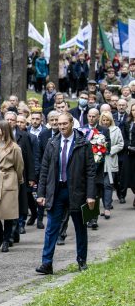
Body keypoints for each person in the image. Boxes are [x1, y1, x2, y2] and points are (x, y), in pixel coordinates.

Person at [35, 112, 96, 275]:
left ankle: (81, 260)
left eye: (64, 123)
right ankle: (46, 263)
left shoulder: (83, 143)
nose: (61, 126)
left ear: (71, 123)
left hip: (77, 191)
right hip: (57, 191)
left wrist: (91, 195)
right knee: (51, 228)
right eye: (58, 124)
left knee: (80, 227)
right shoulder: (52, 143)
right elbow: (44, 170)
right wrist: (41, 193)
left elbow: (91, 171)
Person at [0, 120, 24, 252]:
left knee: (8, 213)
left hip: (9, 179)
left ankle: (6, 240)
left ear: (4, 130)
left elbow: (19, 166)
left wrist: (19, 180)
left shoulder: (15, 148)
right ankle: (0, 235)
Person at [99, 111, 123, 219]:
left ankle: (107, 208)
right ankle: (105, 206)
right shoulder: (97, 130)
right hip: (99, 161)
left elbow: (120, 144)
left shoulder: (116, 130)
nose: (105, 122)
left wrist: (110, 150)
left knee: (108, 185)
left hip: (110, 160)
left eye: (107, 120)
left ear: (110, 120)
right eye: (103, 120)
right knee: (101, 186)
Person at [120, 102, 135, 207]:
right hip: (129, 152)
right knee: (128, 177)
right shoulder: (127, 122)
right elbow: (123, 136)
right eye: (133, 110)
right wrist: (127, 146)